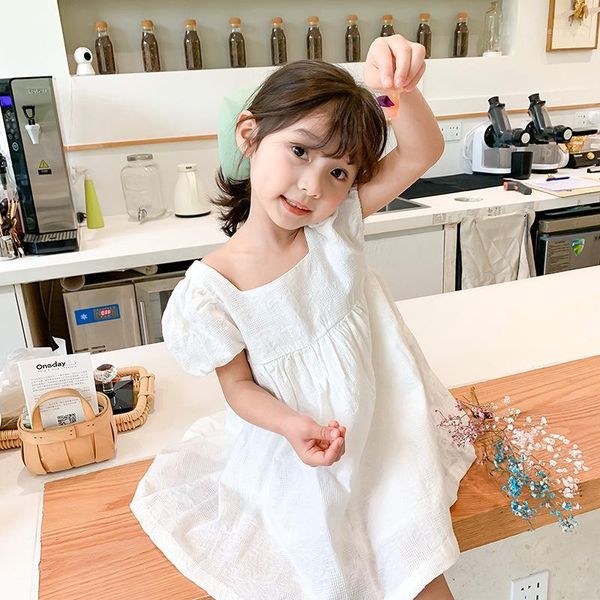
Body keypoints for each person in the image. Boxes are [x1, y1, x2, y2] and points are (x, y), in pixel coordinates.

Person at [131, 35, 476, 600]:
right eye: (299, 151)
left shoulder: (335, 228)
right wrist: (293, 426)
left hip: (386, 428)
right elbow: (238, 388)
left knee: (417, 568)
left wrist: (398, 89)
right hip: (300, 450)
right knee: (327, 569)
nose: (313, 186)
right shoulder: (210, 292)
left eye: (339, 173)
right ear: (250, 135)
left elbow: (421, 151)